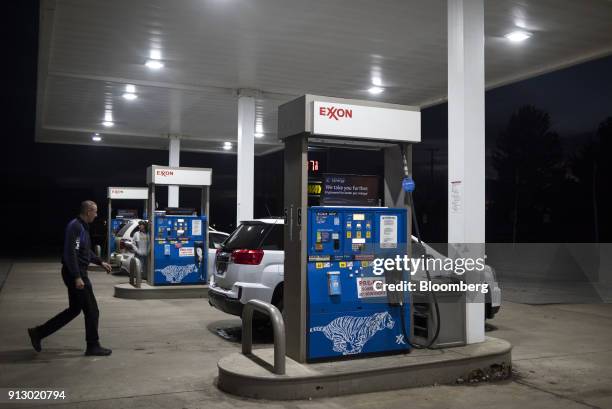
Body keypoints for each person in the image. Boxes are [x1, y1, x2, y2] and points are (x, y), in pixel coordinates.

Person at [27, 200, 113, 356]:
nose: (97, 214)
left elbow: (83, 251)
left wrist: (100, 262)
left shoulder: (82, 228)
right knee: (92, 310)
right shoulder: (75, 227)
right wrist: (77, 277)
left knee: (74, 310)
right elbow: (71, 253)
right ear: (88, 211)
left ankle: (38, 333)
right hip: (75, 273)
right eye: (95, 211)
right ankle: (93, 345)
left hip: (76, 272)